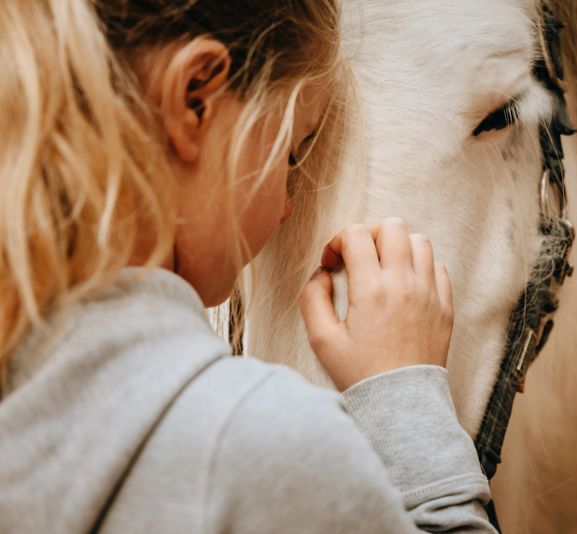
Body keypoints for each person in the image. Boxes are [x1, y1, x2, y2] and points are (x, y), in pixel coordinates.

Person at [0, 0, 496, 532]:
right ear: (196, 97)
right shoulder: (261, 443)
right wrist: (405, 397)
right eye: (292, 154)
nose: (287, 207)